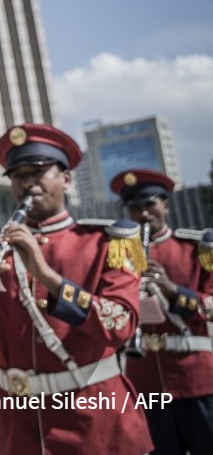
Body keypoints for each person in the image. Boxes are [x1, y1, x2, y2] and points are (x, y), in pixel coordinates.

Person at [0, 124, 153, 454]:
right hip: (18, 425)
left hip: (91, 417)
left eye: (39, 172)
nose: (28, 182)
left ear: (67, 179)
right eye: (18, 175)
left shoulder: (110, 243)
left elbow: (120, 325)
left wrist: (44, 273)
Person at [111, 168, 213, 453]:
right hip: (145, 381)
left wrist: (172, 290)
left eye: (149, 204)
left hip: (196, 379)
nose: (142, 214)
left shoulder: (198, 248)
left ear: (165, 205)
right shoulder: (118, 255)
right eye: (134, 207)